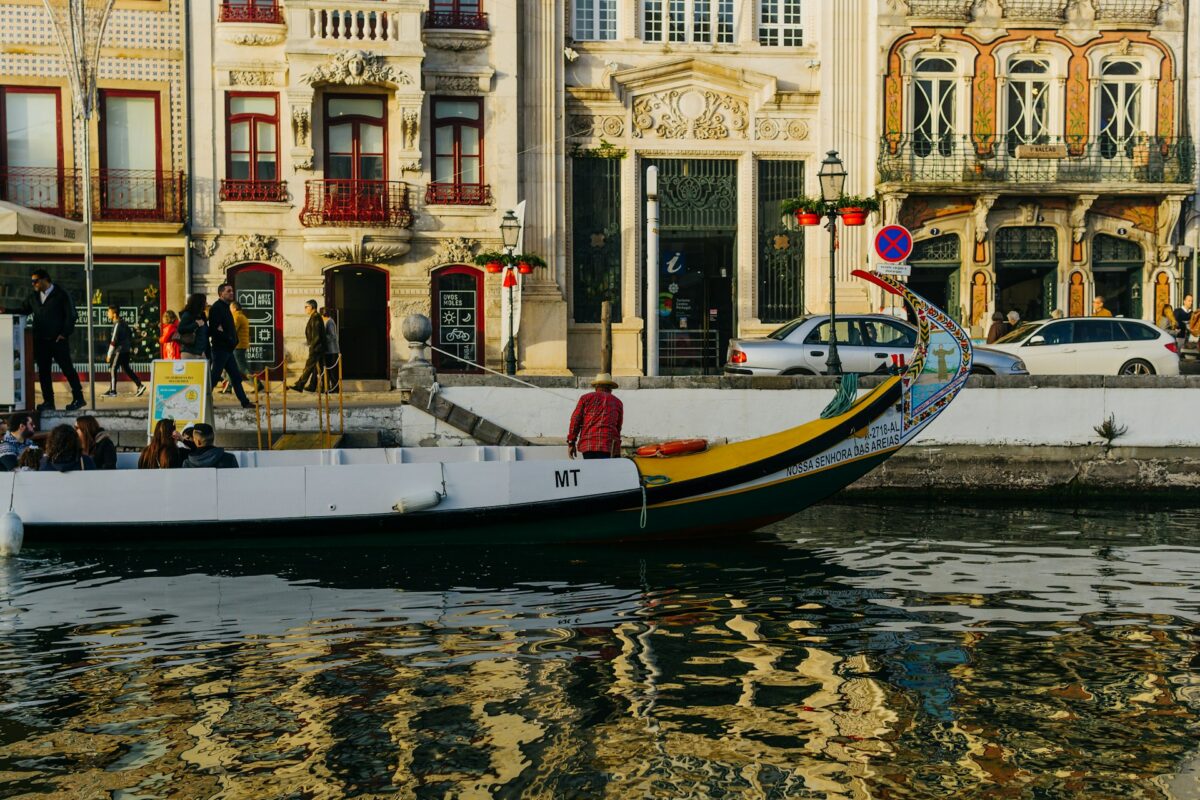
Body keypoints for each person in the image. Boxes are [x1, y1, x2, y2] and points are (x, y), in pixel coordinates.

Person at [5, 268, 85, 411]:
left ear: (44, 280)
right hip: (41, 340)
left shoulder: (61, 294)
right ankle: (49, 401)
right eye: (32, 281)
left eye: (35, 281)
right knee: (43, 372)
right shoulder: (34, 297)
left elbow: (71, 315)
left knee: (67, 369)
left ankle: (79, 398)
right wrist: (6, 311)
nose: (33, 284)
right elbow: (24, 310)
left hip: (58, 340)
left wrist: (64, 334)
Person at [207, 283, 254, 409]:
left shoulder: (226, 307)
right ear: (221, 293)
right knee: (214, 377)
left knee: (235, 377)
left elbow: (227, 328)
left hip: (228, 349)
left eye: (232, 291)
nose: (231, 293)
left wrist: (234, 340)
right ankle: (205, 402)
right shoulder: (217, 308)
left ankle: (245, 402)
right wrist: (228, 338)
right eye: (228, 291)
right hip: (220, 349)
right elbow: (214, 329)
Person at [567, 373, 623, 459]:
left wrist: (571, 442)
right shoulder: (618, 402)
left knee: (590, 471)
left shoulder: (585, 398)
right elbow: (618, 427)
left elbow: (575, 420)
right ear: (610, 388)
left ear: (596, 387)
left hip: (588, 444)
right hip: (608, 446)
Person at [104, 305, 146, 398]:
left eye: (109, 312)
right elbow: (130, 336)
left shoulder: (118, 324)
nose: (107, 314)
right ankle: (140, 385)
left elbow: (113, 340)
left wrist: (109, 354)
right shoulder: (124, 323)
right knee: (126, 369)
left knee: (113, 368)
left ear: (114, 314)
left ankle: (113, 391)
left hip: (119, 350)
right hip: (126, 350)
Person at [222, 300, 261, 393]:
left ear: (234, 308)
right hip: (240, 345)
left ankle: (258, 384)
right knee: (233, 367)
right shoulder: (242, 316)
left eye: (230, 308)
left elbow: (232, 329)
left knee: (242, 367)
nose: (229, 310)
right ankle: (228, 388)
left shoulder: (237, 317)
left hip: (237, 346)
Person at [290, 300, 327, 393]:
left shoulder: (316, 318)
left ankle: (300, 385)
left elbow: (317, 335)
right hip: (318, 347)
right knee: (317, 368)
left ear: (312, 307)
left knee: (309, 366)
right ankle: (313, 386)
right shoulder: (314, 317)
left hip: (316, 348)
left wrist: (312, 347)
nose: (305, 309)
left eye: (307, 307)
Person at [178, 293, 209, 360]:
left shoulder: (201, 315)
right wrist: (196, 324)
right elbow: (181, 329)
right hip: (189, 352)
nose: (206, 303)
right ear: (199, 303)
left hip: (201, 352)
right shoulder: (188, 315)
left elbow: (205, 333)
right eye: (204, 302)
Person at [321, 307, 340, 392]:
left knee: (332, 371)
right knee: (328, 370)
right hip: (329, 351)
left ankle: (335, 388)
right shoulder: (327, 322)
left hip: (332, 351)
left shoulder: (330, 322)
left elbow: (332, 336)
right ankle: (328, 387)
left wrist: (323, 339)